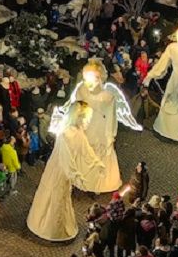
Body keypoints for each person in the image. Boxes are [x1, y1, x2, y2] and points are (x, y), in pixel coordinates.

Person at [54, 59, 142, 192]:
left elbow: (111, 117)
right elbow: (76, 109)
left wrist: (110, 135)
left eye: (94, 78)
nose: (90, 82)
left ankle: (99, 183)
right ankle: (82, 180)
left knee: (100, 154)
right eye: (87, 77)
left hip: (100, 128)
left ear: (100, 78)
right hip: (86, 126)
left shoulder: (108, 96)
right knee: (84, 151)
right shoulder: (82, 90)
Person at [27, 102, 106, 242]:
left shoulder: (79, 133)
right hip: (59, 170)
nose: (88, 122)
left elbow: (86, 150)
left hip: (68, 171)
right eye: (86, 119)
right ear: (78, 117)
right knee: (56, 195)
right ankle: (51, 228)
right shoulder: (65, 134)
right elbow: (66, 158)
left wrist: (96, 162)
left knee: (63, 196)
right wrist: (75, 174)